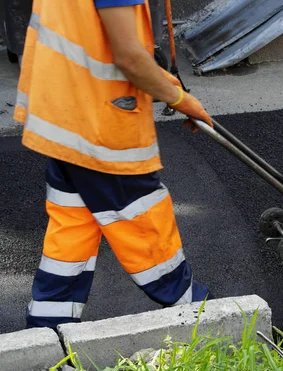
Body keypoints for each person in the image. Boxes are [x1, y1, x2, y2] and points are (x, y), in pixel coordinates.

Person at [13, 0, 214, 329]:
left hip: (65, 112)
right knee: (142, 218)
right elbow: (128, 57)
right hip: (100, 124)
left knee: (72, 231)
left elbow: (93, 34)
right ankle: (206, 321)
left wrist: (159, 78)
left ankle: (48, 335)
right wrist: (181, 99)